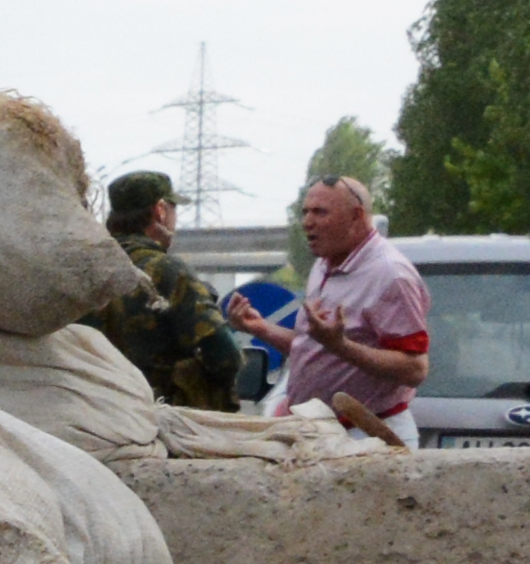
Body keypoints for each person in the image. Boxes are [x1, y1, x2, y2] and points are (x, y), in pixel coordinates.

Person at [273, 176, 432, 443]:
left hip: (369, 435)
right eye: (305, 212)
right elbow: (313, 349)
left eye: (320, 212)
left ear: (356, 216)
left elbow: (415, 369)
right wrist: (257, 327)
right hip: (318, 434)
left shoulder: (390, 274)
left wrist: (340, 346)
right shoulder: (324, 264)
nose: (307, 222)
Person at [88, 169, 244, 409]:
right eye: (172, 209)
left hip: (92, 411)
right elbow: (225, 356)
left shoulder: (87, 270)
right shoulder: (167, 271)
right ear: (160, 211)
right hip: (158, 421)